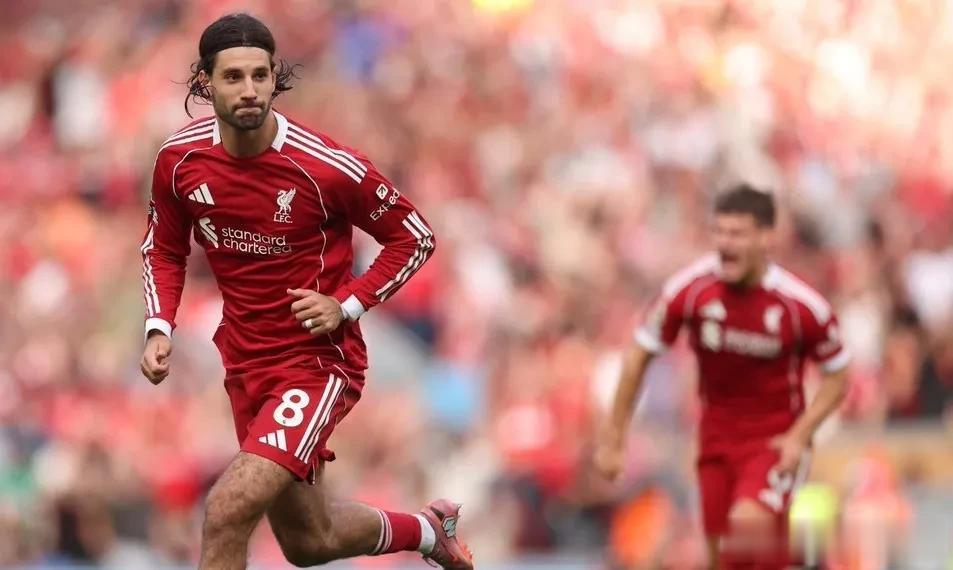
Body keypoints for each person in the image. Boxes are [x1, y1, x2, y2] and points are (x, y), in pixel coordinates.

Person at [138, 13, 473, 570]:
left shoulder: (324, 165)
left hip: (315, 363)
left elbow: (414, 237)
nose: (249, 89)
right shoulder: (180, 161)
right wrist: (158, 326)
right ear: (205, 82)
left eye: (260, 75)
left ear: (276, 77)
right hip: (245, 363)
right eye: (233, 77)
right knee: (308, 541)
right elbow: (164, 249)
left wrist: (347, 304)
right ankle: (427, 530)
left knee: (226, 509)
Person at [595, 184, 849, 568]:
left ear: (766, 237)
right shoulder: (691, 291)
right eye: (720, 232)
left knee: (745, 535)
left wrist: (801, 434)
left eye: (738, 234)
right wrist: (614, 437)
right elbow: (639, 354)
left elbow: (837, 374)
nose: (726, 244)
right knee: (720, 558)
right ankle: (809, 555)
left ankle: (809, 552)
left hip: (773, 442)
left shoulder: (801, 307)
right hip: (715, 440)